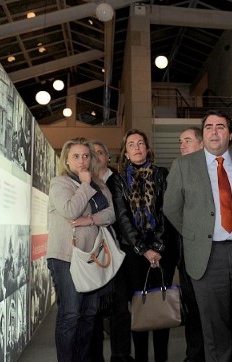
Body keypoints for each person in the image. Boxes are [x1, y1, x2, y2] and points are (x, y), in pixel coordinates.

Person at [164, 110, 232, 362]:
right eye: (208, 126)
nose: (214, 131)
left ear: (229, 134)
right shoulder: (183, 165)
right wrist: (196, 234)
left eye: (220, 127)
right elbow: (171, 207)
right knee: (215, 330)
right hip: (208, 259)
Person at [110, 130, 178, 362]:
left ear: (148, 148)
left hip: (162, 251)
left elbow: (167, 211)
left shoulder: (162, 174)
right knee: (139, 308)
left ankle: (161, 358)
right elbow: (122, 218)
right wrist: (143, 249)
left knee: (161, 305)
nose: (137, 147)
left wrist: (157, 248)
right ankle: (140, 358)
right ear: (126, 152)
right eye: (131, 144)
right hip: (134, 253)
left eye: (141, 143)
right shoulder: (118, 180)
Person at [47, 137, 116, 362]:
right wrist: (85, 186)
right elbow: (69, 210)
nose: (82, 161)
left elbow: (110, 215)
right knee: (71, 314)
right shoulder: (60, 183)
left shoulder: (100, 185)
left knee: (89, 315)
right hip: (66, 257)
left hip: (92, 257)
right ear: (66, 159)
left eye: (86, 156)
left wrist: (89, 220)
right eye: (76, 156)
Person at [90, 141, 134, 362]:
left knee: (120, 309)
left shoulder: (119, 179)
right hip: (93, 254)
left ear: (108, 157)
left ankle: (121, 355)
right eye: (92, 153)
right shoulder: (83, 182)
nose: (96, 157)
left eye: (100, 152)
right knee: (94, 310)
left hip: (119, 252)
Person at [175, 128, 206, 362]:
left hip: (214, 252)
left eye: (187, 141)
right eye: (180, 142)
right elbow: (172, 209)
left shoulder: (214, 169)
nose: (182, 145)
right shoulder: (178, 169)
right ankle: (194, 354)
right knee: (192, 306)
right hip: (187, 251)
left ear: (201, 143)